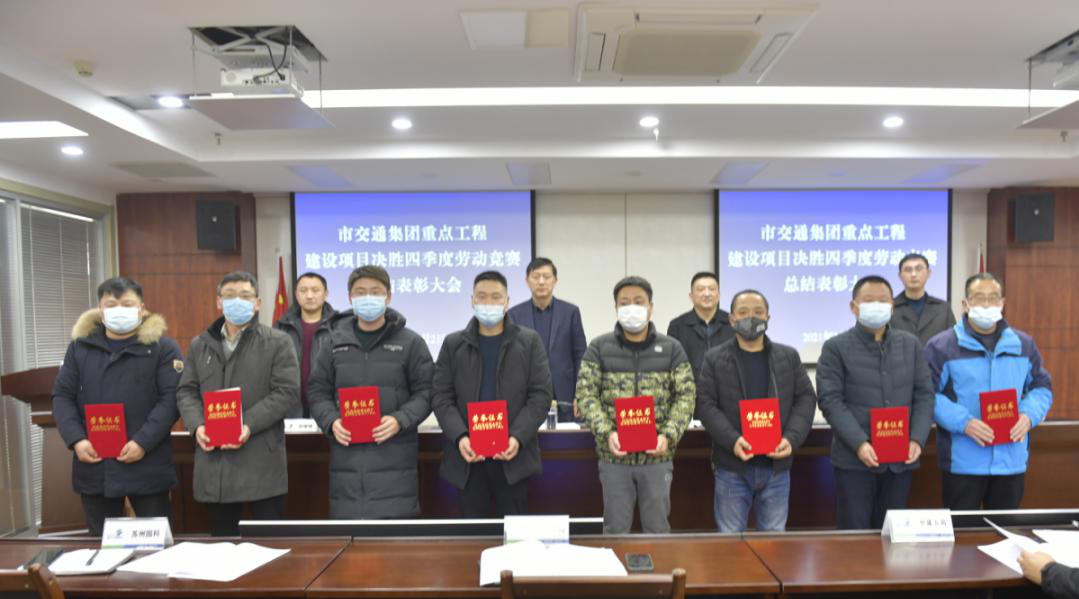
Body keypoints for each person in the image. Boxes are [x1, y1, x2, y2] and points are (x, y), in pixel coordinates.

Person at [52, 277, 182, 536]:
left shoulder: (162, 348)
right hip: (95, 463)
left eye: (127, 304)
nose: (119, 310)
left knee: (155, 546)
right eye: (111, 305)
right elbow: (62, 396)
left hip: (147, 463)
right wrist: (77, 440)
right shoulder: (80, 347)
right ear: (100, 311)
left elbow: (171, 399)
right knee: (100, 545)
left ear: (141, 309)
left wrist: (143, 442)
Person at [176, 271, 299, 536]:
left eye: (245, 296)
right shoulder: (200, 344)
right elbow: (186, 391)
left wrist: (247, 424)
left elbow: (286, 392)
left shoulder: (277, 342)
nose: (237, 302)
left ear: (257, 303)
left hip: (260, 459)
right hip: (215, 463)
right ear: (219, 302)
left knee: (269, 546)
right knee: (222, 548)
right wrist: (197, 426)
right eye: (230, 296)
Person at [307, 265, 433, 518]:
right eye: (360, 292)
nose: (368, 298)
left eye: (375, 292)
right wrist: (331, 422)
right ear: (350, 297)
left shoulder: (411, 342)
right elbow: (317, 391)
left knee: (394, 539)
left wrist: (400, 420)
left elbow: (427, 391)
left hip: (395, 462)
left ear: (388, 296)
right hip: (347, 469)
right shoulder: (332, 342)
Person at [577, 276, 696, 534]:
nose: (632, 308)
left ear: (650, 307)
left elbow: (686, 397)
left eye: (639, 302)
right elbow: (586, 395)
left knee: (657, 529)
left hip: (657, 458)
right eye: (625, 302)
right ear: (616, 307)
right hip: (614, 458)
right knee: (616, 530)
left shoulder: (672, 348)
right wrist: (607, 434)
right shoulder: (599, 347)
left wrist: (667, 436)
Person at [924, 273, 1052, 510]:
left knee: (1004, 531)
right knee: (962, 531)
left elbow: (1041, 387)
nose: (986, 304)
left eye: (993, 298)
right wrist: (964, 422)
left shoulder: (1023, 344)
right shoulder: (942, 346)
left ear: (1002, 303)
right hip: (963, 460)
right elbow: (927, 395)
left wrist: (1028, 416)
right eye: (978, 298)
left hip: (1010, 460)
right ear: (965, 304)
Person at [816, 275, 934, 530]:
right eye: (869, 301)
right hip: (854, 461)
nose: (877, 306)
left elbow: (924, 394)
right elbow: (830, 400)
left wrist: (917, 438)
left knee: (893, 535)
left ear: (892, 306)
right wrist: (860, 443)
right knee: (854, 533)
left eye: (883, 301)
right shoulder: (836, 347)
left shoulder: (910, 344)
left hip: (899, 461)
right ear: (854, 307)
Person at [432, 270, 552, 517]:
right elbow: (441, 397)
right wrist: (461, 437)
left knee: (514, 535)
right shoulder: (453, 344)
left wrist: (516, 437)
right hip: (467, 460)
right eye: (482, 297)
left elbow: (540, 396)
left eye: (496, 297)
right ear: (472, 301)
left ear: (507, 302)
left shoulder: (529, 342)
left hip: (513, 459)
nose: (488, 303)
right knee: (472, 534)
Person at [696, 289, 817, 532]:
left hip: (776, 467)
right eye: (743, 312)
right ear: (732, 319)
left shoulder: (788, 356)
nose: (751, 318)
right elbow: (705, 404)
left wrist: (791, 439)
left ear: (768, 318)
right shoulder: (714, 358)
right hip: (732, 466)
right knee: (730, 541)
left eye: (758, 312)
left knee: (773, 540)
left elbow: (806, 398)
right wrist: (733, 440)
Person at [508, 257, 587, 422]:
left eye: (546, 276)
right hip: (527, 398)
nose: (541, 282)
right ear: (527, 281)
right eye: (536, 277)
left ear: (555, 280)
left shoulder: (570, 312)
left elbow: (580, 355)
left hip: (564, 396)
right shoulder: (514, 314)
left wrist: (580, 394)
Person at [275, 272, 335, 418]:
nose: (309, 296)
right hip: (290, 408)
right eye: (303, 290)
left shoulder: (339, 326)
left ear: (326, 294)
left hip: (329, 407)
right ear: (296, 294)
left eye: (315, 290)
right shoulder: (281, 328)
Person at [666, 272, 735, 378]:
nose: (707, 294)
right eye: (701, 289)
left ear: (719, 295)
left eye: (712, 289)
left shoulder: (732, 322)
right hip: (690, 386)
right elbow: (672, 363)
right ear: (691, 296)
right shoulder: (677, 326)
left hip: (727, 385)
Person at [889, 253, 956, 346]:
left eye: (919, 269)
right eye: (908, 270)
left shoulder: (943, 308)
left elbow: (952, 342)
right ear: (900, 276)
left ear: (928, 273)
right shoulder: (890, 307)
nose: (913, 274)